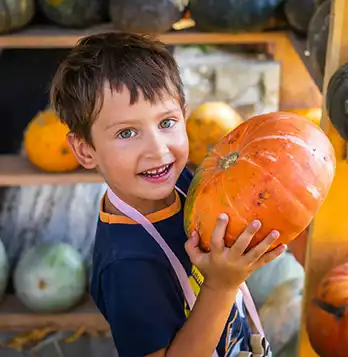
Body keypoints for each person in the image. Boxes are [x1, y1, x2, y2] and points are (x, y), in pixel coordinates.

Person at [49, 32, 286, 357]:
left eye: (166, 122)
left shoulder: (185, 182)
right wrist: (222, 284)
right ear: (85, 149)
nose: (157, 150)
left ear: (185, 114)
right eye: (127, 133)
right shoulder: (127, 266)